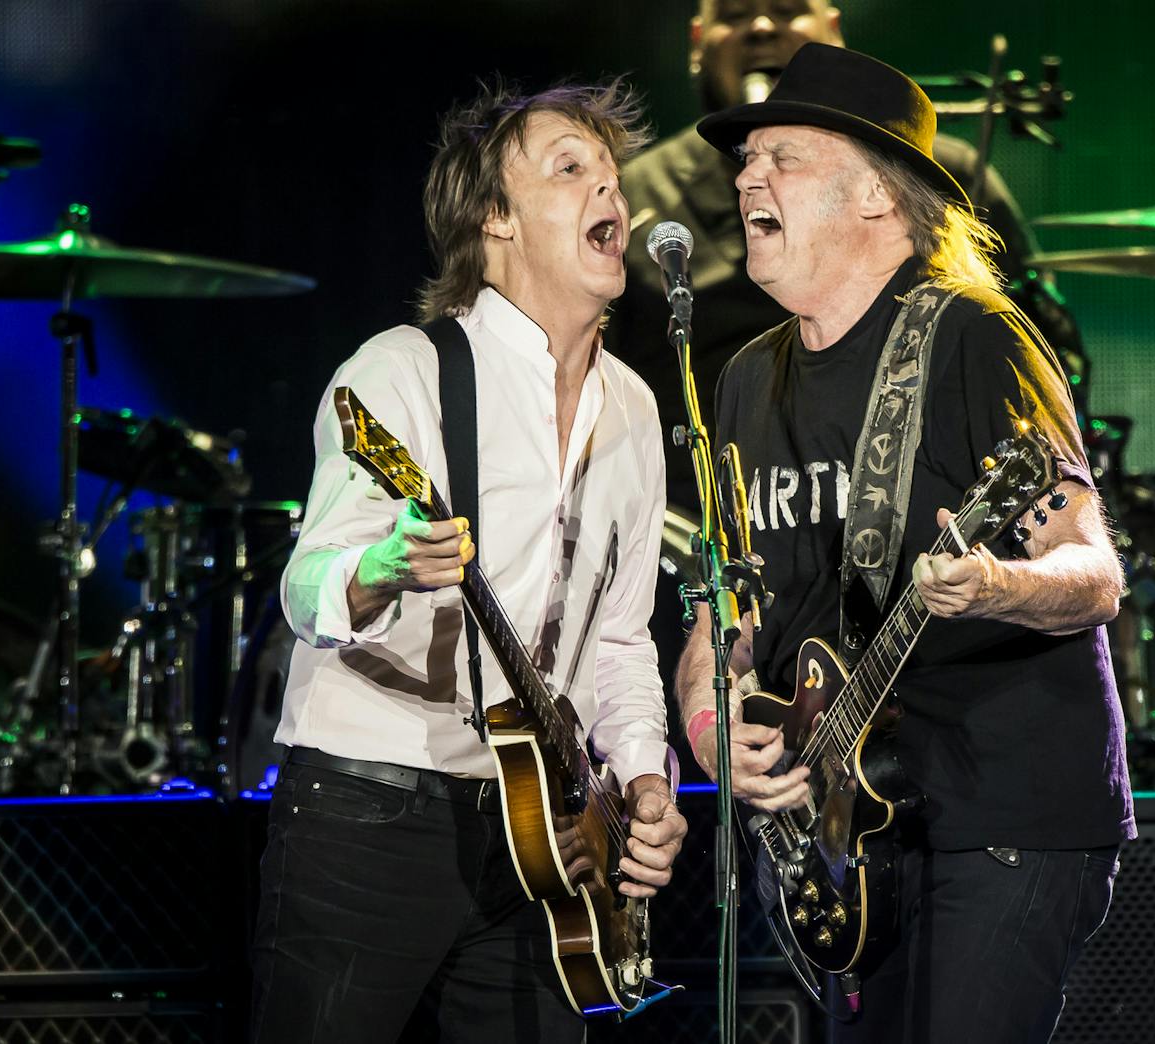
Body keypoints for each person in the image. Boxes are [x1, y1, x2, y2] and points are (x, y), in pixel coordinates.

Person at [675, 44, 1134, 1043]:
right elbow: (727, 610)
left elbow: (1091, 573)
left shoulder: (974, 336)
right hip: (842, 835)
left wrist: (993, 584)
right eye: (744, 160)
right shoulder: (744, 381)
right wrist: (714, 733)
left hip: (999, 812)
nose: (747, 177)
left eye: (782, 158)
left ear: (878, 197)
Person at [249, 80, 687, 1044]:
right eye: (571, 170)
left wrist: (645, 782)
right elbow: (306, 583)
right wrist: (387, 565)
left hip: (547, 838)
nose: (610, 195)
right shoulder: (400, 372)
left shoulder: (638, 408)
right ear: (495, 218)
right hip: (373, 807)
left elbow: (620, 637)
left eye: (613, 177)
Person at [608, 0, 1080, 510]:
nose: (762, 28)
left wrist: (996, 576)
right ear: (697, 40)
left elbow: (1038, 365)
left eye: (787, 10)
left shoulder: (976, 320)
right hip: (691, 524)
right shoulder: (636, 198)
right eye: (736, 14)